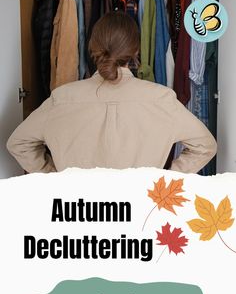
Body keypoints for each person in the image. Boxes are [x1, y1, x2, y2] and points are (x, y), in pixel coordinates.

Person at [7, 11, 216, 174]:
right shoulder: (161, 99)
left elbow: (18, 143)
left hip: (78, 215)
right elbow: (205, 146)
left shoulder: (61, 98)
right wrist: (165, 181)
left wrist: (52, 176)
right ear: (135, 51)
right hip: (139, 214)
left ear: (93, 48)